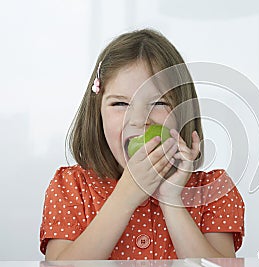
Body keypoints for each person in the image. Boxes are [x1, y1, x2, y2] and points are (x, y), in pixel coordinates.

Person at [39, 28, 245, 260]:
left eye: (158, 102)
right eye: (120, 104)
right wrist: (126, 195)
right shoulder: (70, 188)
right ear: (97, 115)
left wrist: (171, 199)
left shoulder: (212, 190)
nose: (139, 120)